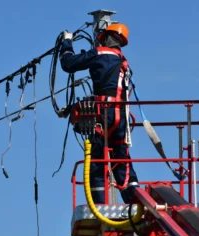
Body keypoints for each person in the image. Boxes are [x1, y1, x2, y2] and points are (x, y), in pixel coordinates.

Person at [59, 24, 139, 204]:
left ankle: (100, 205)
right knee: (122, 159)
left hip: (103, 115)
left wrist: (67, 42)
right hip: (120, 118)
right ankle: (135, 201)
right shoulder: (123, 62)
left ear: (104, 38)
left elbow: (68, 64)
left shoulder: (99, 53)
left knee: (97, 161)